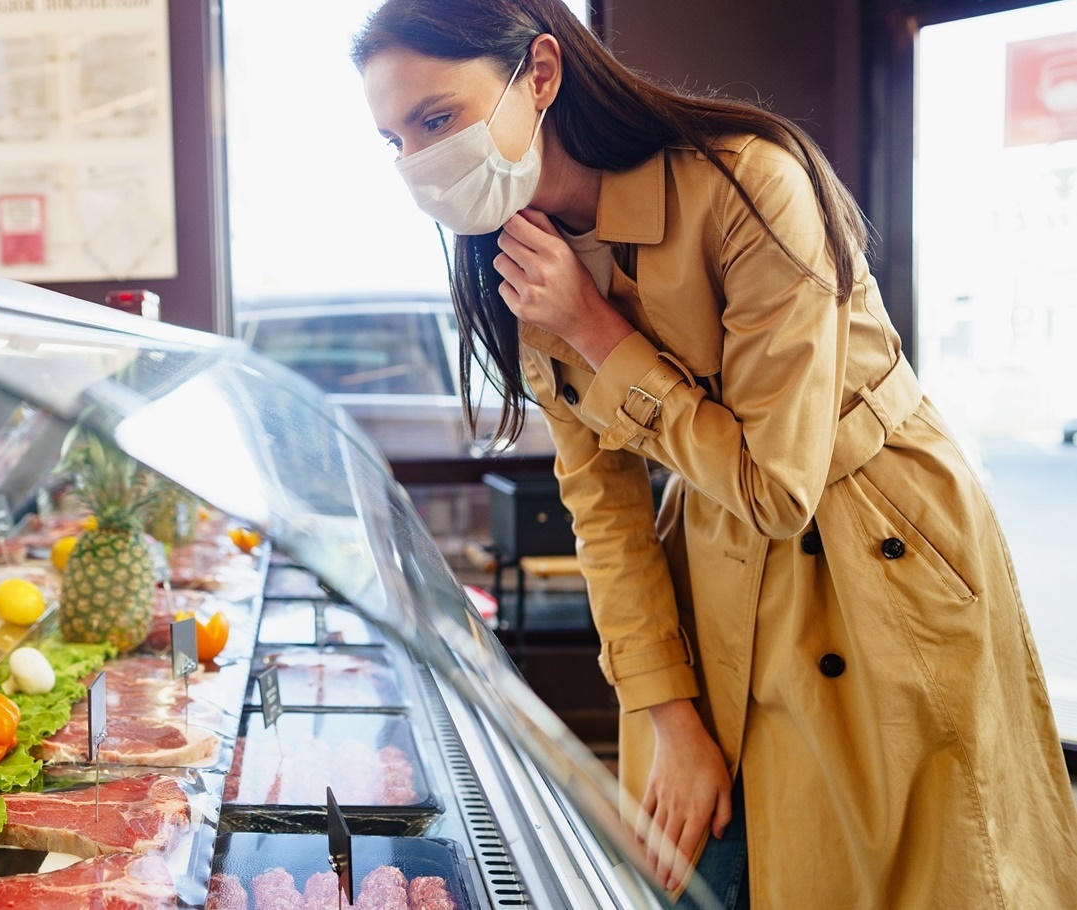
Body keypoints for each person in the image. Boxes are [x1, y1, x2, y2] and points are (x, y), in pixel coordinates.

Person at [352, 1, 1077, 908]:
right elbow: (603, 512)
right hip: (707, 557)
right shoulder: (517, 257)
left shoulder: (750, 183)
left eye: (436, 120)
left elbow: (779, 488)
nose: (419, 163)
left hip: (874, 544)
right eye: (393, 141)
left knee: (909, 868)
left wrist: (594, 329)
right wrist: (669, 716)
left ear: (538, 74)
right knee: (694, 869)